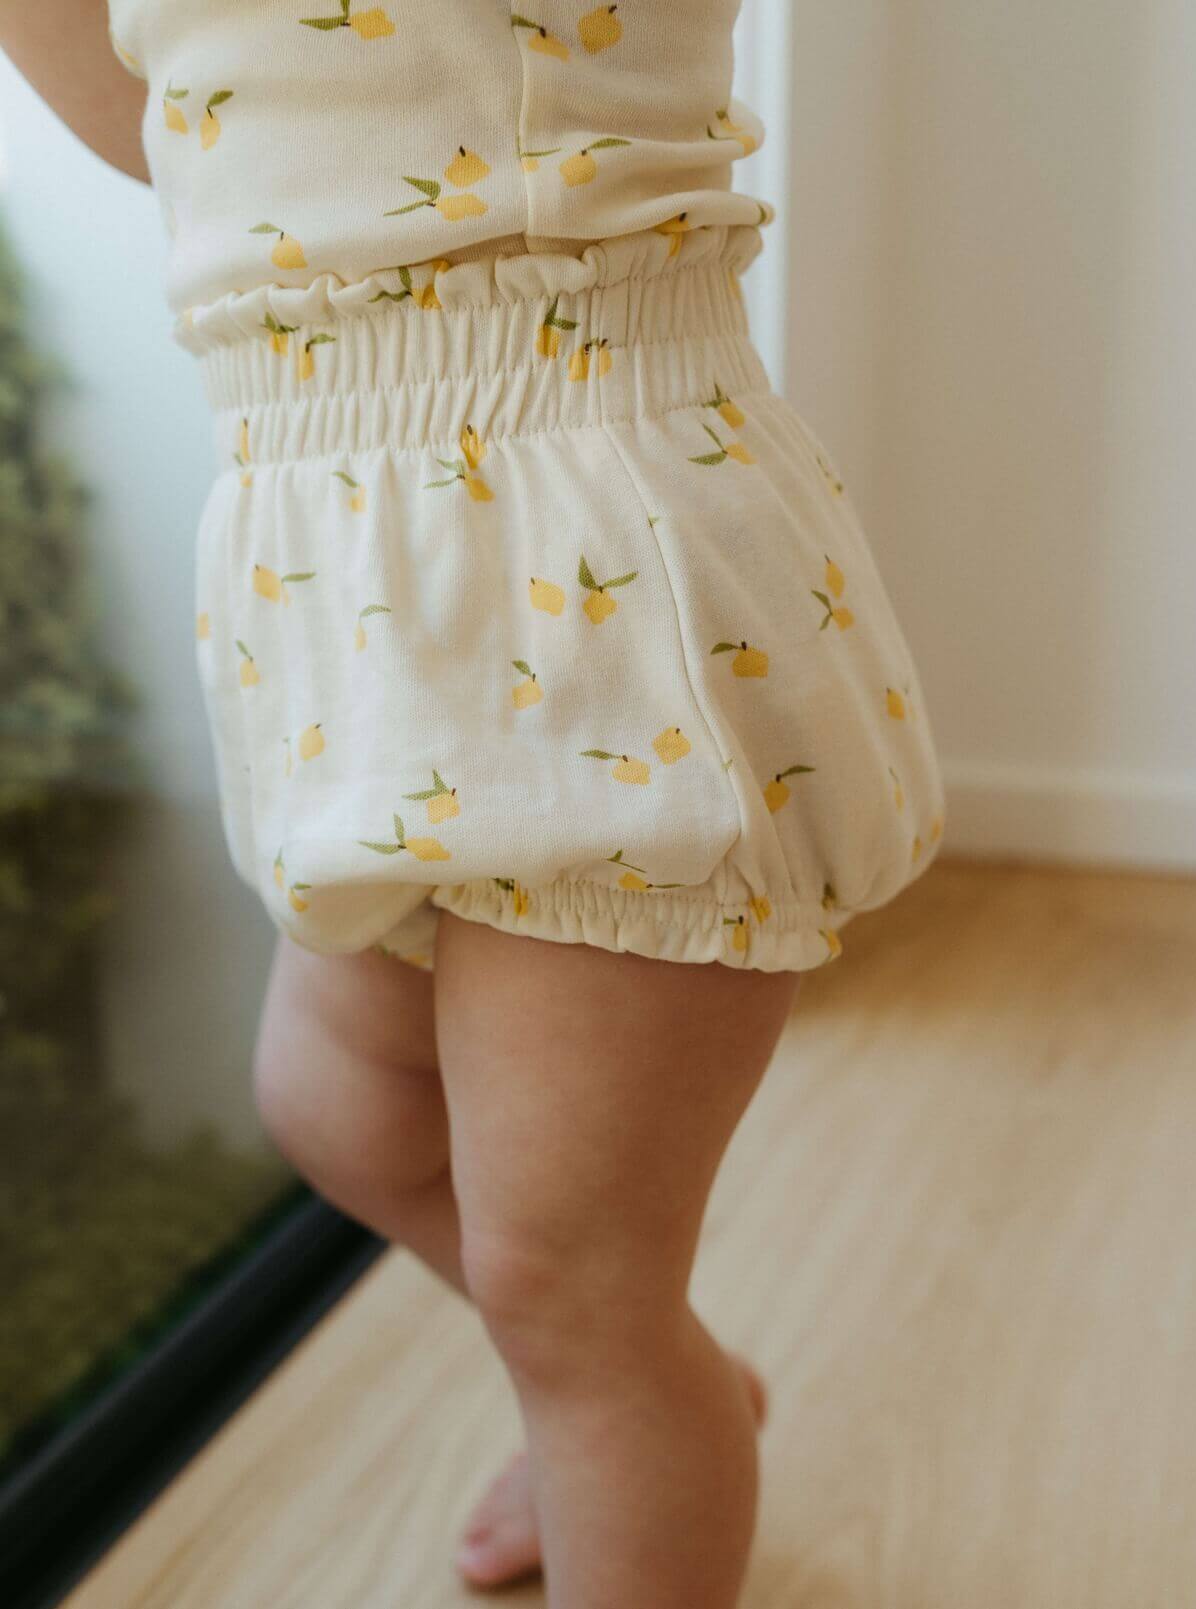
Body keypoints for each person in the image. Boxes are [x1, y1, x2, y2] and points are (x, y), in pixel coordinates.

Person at [3, 4, 946, 1602]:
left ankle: (622, 1385)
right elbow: (169, 123)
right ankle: (649, 1378)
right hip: (340, 580)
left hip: (587, 562)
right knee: (338, 1107)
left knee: (568, 1275)